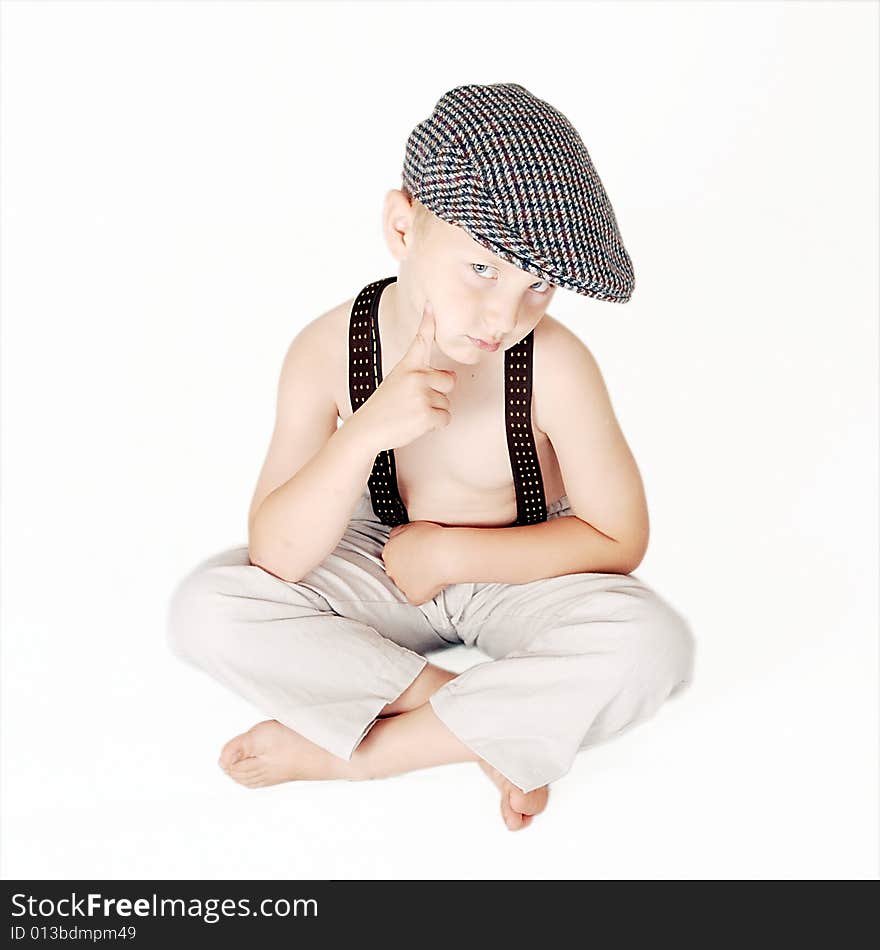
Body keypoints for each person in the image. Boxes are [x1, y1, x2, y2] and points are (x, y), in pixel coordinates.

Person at [165, 83, 696, 832]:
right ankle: (477, 717)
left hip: (517, 570)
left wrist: (453, 554)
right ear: (401, 226)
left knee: (652, 646)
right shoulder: (326, 351)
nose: (503, 317)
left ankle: (368, 751)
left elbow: (619, 540)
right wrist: (366, 431)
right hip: (378, 564)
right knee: (207, 611)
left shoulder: (553, 364)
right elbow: (278, 555)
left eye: (536, 284)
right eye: (482, 268)